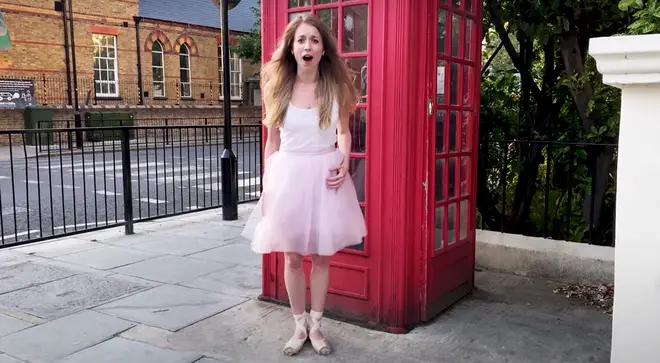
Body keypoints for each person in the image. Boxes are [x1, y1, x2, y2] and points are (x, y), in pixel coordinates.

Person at [241, 15, 367, 356]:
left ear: (323, 49)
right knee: (293, 258)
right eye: (300, 40)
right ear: (292, 48)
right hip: (289, 175)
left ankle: (317, 324)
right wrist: (268, 182)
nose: (307, 46)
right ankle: (298, 325)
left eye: (313, 40)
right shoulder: (277, 88)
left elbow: (343, 132)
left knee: (322, 257)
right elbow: (273, 141)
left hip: (325, 177)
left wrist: (344, 157)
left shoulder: (335, 88)